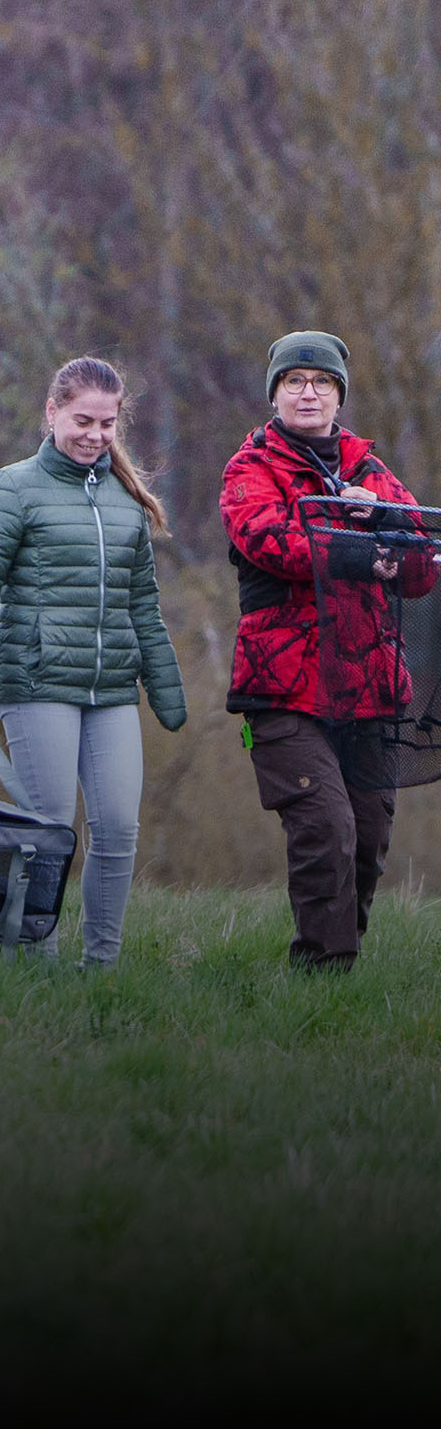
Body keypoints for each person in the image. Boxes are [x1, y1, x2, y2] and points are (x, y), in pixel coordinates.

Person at [0, 355, 186, 967]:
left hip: (111, 689)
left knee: (119, 828)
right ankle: (29, 959)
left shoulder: (127, 500)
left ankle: (101, 963)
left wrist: (166, 688)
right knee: (47, 831)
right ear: (51, 413)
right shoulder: (15, 487)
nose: (95, 435)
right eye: (82, 420)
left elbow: (143, 606)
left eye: (106, 423)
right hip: (38, 681)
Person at [221, 329, 426, 969]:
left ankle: (344, 965)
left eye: (322, 383)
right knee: (325, 830)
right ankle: (321, 972)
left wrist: (383, 519)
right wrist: (363, 540)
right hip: (282, 689)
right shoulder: (249, 470)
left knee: (367, 839)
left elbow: (421, 564)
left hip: (368, 686)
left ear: (339, 395)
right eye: (294, 382)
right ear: (275, 393)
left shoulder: (372, 471)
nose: (308, 393)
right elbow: (273, 544)